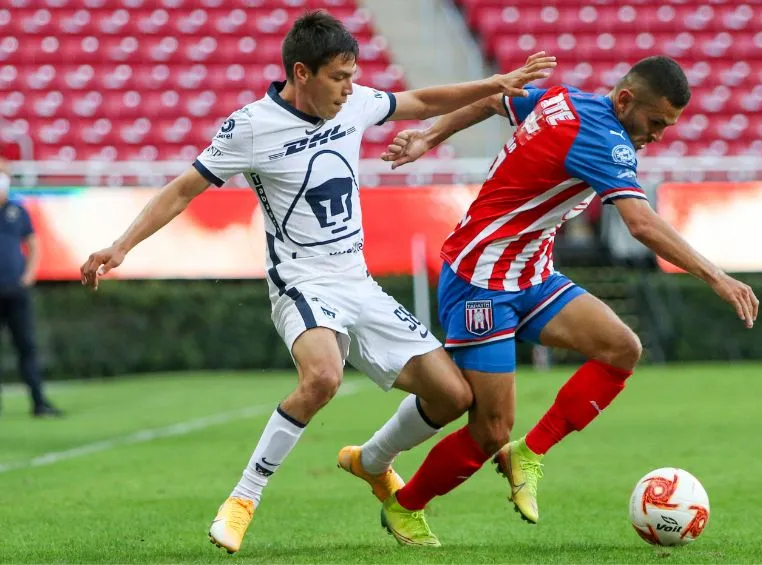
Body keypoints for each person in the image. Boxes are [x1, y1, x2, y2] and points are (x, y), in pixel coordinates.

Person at [79, 10, 555, 554]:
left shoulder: (352, 104)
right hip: (300, 283)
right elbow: (183, 190)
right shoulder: (251, 126)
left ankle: (372, 462)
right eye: (339, 77)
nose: (350, 89)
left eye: (353, 76)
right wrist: (120, 245)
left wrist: (497, 83)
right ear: (301, 73)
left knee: (452, 396)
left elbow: (418, 103)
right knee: (323, 378)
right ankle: (242, 500)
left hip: (357, 280)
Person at [339, 56, 760, 546]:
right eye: (655, 123)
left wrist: (431, 136)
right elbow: (641, 224)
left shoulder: (567, 99)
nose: (657, 136)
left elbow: (496, 100)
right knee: (490, 429)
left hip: (532, 274)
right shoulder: (603, 138)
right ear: (625, 101)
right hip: (483, 279)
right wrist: (718, 277)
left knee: (622, 348)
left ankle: (529, 454)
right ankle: (406, 507)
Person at [0, 158, 63, 418]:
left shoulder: (18, 211)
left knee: (26, 346)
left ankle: (38, 402)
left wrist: (28, 275)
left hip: (16, 290)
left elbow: (34, 244)